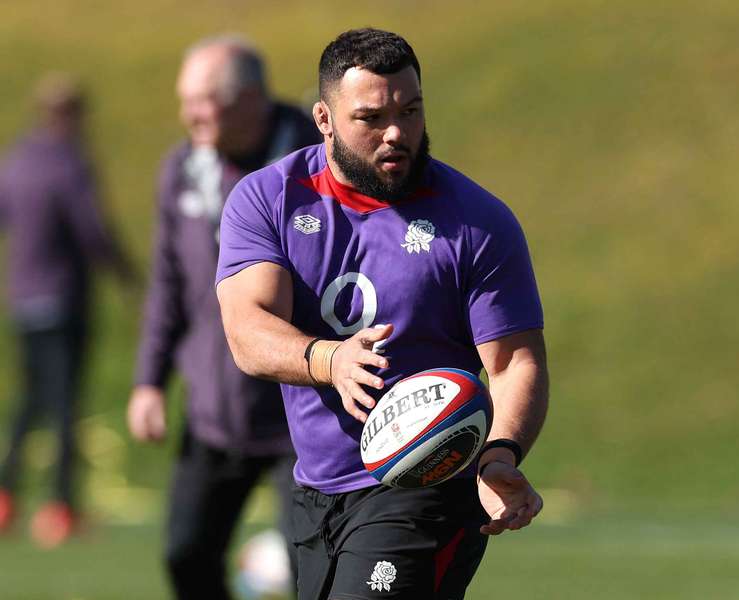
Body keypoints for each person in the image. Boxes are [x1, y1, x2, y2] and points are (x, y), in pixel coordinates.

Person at [215, 28, 549, 600]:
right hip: (316, 489)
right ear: (324, 119)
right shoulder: (268, 199)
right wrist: (330, 360)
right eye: (370, 118)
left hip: (428, 484)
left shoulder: (478, 222)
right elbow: (248, 332)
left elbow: (515, 362)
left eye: (411, 111)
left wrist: (497, 456)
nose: (397, 133)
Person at [126, 35, 320, 599]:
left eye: (207, 99)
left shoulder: (316, 162)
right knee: (186, 554)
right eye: (186, 99)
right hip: (214, 412)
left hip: (301, 410)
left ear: (254, 98)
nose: (191, 113)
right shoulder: (184, 168)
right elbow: (168, 284)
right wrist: (148, 380)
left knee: (312, 567)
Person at [0, 73, 135, 547]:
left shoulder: (16, 162)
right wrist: (125, 274)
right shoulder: (69, 164)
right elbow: (92, 231)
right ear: (73, 114)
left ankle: (6, 498)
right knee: (62, 407)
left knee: (29, 404)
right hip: (62, 300)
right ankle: (60, 508)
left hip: (23, 300)